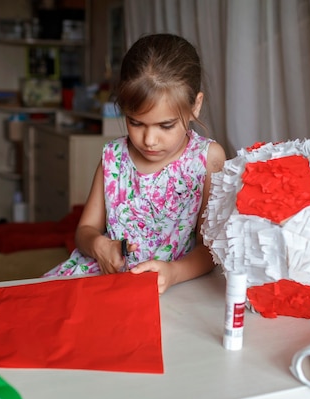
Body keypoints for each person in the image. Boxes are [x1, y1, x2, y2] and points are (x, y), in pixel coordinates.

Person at [43, 33, 226, 294]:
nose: (149, 140)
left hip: (175, 287)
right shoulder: (114, 157)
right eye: (135, 122)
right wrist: (99, 246)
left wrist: (172, 273)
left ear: (195, 105)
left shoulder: (209, 159)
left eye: (166, 125)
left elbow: (210, 248)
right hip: (105, 280)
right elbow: (85, 230)